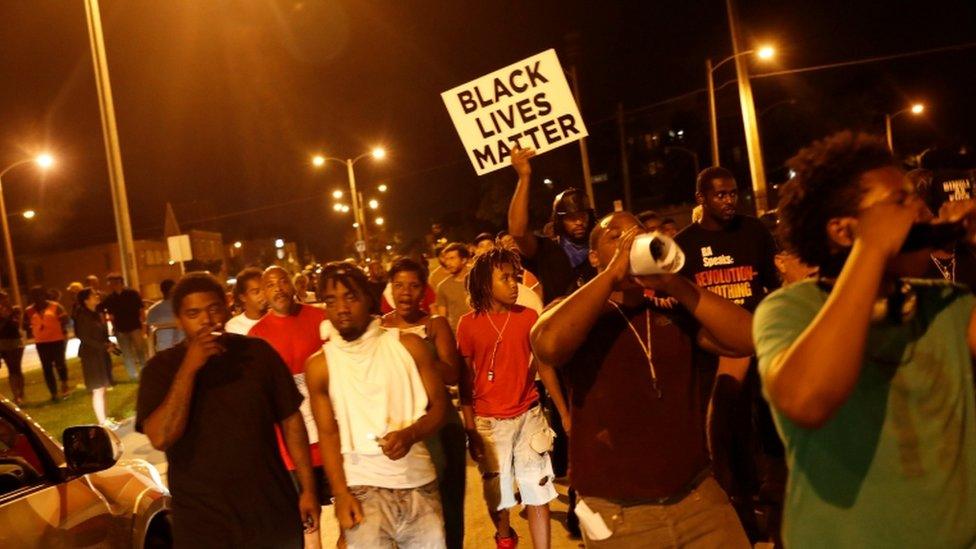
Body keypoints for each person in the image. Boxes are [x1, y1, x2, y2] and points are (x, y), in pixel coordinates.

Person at [753, 131, 976, 547]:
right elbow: (807, 400)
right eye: (900, 201)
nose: (922, 210)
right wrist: (871, 250)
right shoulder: (791, 309)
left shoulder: (949, 304)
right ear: (842, 231)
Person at [530, 211, 754, 548]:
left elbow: (749, 337)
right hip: (618, 515)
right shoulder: (573, 310)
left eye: (635, 234)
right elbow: (547, 345)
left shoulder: (671, 311)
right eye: (614, 236)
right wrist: (611, 274)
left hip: (697, 499)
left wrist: (672, 282)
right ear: (593, 257)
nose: (628, 241)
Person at [137, 272, 319, 547]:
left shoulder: (258, 354)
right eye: (193, 313)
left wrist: (307, 489)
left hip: (269, 513)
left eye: (213, 309)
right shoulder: (160, 370)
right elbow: (161, 437)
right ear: (179, 319)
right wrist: (190, 367)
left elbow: (291, 420)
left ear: (227, 306)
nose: (206, 321)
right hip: (203, 523)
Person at [674, 166, 783, 540]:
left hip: (760, 348)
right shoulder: (685, 244)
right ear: (701, 198)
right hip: (713, 356)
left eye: (733, 193)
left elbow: (773, 284)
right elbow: (683, 304)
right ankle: (740, 518)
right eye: (719, 194)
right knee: (725, 437)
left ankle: (772, 505)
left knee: (767, 433)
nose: (729, 200)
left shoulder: (754, 232)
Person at [307, 262, 449, 548]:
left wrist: (410, 435)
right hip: (361, 490)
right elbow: (328, 435)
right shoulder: (319, 366)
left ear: (369, 300)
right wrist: (341, 494)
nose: (341, 308)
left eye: (350, 297)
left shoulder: (408, 346)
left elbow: (441, 408)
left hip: (418, 483)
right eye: (331, 300)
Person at [457, 248, 557, 548]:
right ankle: (504, 536)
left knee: (538, 491)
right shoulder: (468, 324)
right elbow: (464, 380)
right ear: (486, 285)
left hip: (529, 414)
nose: (514, 284)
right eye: (505, 278)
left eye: (515, 277)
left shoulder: (528, 317)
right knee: (497, 495)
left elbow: (543, 365)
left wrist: (564, 412)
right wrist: (470, 427)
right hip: (489, 422)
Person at [381, 257, 466, 549]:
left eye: (414, 286)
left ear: (424, 291)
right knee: (408, 510)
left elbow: (453, 373)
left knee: (449, 505)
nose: (405, 292)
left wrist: (421, 354)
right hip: (403, 426)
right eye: (399, 285)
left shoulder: (435, 325)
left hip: (441, 425)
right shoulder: (379, 329)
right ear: (390, 288)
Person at [248, 264, 330, 547]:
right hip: (290, 446)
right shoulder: (257, 336)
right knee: (307, 516)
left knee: (351, 509)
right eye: (270, 285)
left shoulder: (321, 319)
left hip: (331, 437)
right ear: (263, 293)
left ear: (293, 285)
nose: (278, 289)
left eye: (282, 282)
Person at [507, 147, 596, 305]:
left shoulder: (601, 247)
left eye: (582, 215)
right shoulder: (547, 251)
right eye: (571, 217)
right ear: (559, 221)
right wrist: (524, 176)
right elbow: (518, 232)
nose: (579, 222)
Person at [73, 288, 119, 429]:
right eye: (93, 295)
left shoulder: (96, 313)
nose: (97, 295)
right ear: (86, 300)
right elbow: (85, 337)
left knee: (103, 387)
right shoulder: (82, 315)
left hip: (100, 354)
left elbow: (100, 333)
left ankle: (105, 418)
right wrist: (104, 346)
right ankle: (102, 422)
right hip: (91, 356)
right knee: (98, 388)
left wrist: (109, 343)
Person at [23, 285, 71, 400]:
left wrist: (60, 326)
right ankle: (53, 392)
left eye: (39, 295)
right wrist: (33, 328)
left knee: (60, 363)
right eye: (34, 296)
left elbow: (66, 319)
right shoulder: (29, 310)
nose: (37, 298)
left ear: (44, 295)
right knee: (46, 367)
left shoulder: (55, 306)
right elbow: (24, 325)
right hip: (41, 342)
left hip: (56, 340)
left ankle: (64, 385)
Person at [102, 273, 148, 381]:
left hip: (134, 326)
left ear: (118, 282)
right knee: (127, 353)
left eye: (112, 282)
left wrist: (143, 324)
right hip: (121, 329)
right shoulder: (110, 298)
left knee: (140, 350)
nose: (110, 285)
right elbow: (111, 315)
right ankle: (133, 375)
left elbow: (141, 309)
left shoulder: (132, 293)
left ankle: (144, 370)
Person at [435, 242, 473, 332]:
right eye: (446, 259)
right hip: (457, 335)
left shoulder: (478, 280)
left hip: (480, 330)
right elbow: (442, 318)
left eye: (452, 258)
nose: (448, 263)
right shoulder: (443, 286)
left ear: (464, 260)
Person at [146, 279, 185, 354]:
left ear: (161, 291)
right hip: (183, 349)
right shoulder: (183, 306)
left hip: (163, 350)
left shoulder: (153, 310)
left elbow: (149, 333)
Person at [224, 267, 267, 335]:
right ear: (242, 297)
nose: (263, 295)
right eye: (256, 292)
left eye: (264, 289)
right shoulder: (233, 327)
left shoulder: (277, 317)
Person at [0, 291, 24, 405]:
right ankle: (16, 395)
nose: (4, 301)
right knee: (11, 369)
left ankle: (21, 393)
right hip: (3, 343)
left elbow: (17, 324)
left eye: (5, 298)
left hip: (15, 342)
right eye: (2, 299)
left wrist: (8, 315)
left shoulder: (15, 310)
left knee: (17, 368)